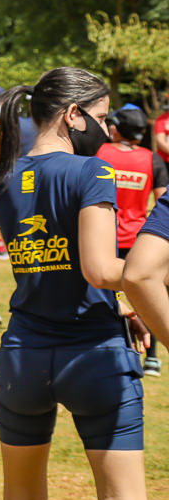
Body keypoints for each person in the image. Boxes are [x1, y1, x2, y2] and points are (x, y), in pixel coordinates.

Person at [0, 68, 161, 500]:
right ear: (72, 114)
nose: (107, 130)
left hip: (24, 356)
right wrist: (146, 279)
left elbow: (52, 265)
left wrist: (122, 297)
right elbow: (99, 269)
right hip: (94, 356)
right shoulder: (92, 172)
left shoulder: (1, 178)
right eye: (102, 117)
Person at [98, 107, 167, 376]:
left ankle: (114, 352)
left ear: (116, 129)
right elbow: (161, 199)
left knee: (107, 296)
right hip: (142, 240)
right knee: (150, 294)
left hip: (105, 237)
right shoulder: (152, 159)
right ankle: (152, 358)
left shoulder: (101, 153)